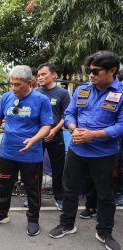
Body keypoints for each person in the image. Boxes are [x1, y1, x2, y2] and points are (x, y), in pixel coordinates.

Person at [48, 51, 123, 250]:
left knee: (105, 194)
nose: (90, 75)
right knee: (70, 189)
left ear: (112, 70)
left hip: (104, 154)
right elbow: (70, 113)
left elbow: (121, 126)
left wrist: (93, 135)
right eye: (89, 71)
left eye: (95, 71)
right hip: (77, 150)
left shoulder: (121, 94)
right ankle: (67, 224)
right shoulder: (82, 90)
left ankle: (104, 232)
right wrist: (73, 128)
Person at [0, 65, 53, 236]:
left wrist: (34, 140)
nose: (13, 88)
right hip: (8, 151)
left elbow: (47, 126)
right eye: (11, 84)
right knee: (4, 185)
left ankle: (33, 219)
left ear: (30, 82)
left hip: (31, 153)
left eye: (17, 84)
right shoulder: (6, 97)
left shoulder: (41, 100)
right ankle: (1, 214)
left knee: (32, 188)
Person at [37, 63, 71, 210]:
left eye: (43, 74)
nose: (40, 78)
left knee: (58, 168)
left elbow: (66, 115)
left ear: (54, 75)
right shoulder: (36, 93)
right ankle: (35, 198)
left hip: (55, 135)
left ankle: (60, 198)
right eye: (38, 75)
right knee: (35, 168)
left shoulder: (63, 93)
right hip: (37, 136)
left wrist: (54, 130)